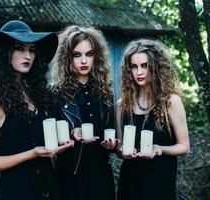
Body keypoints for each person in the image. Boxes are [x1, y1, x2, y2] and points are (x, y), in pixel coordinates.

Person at [0, 20, 74, 200]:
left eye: (32, 50)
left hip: (52, 191)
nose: (27, 55)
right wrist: (32, 154)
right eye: (20, 48)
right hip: (17, 193)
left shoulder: (38, 95)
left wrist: (72, 134)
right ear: (4, 54)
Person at [116, 39, 190, 200]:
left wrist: (159, 149)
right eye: (134, 67)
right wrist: (120, 150)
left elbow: (184, 146)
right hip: (130, 183)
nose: (139, 72)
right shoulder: (122, 105)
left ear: (155, 67)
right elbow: (120, 149)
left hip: (160, 182)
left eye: (145, 65)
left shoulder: (170, 101)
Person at [52, 25, 118, 200]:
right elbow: (49, 138)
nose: (84, 61)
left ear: (97, 57)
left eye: (89, 54)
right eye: (77, 55)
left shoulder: (106, 93)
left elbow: (110, 132)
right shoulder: (55, 94)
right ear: (67, 58)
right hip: (69, 175)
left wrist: (111, 144)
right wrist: (72, 133)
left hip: (101, 175)